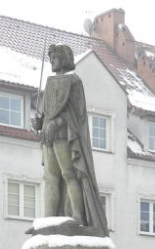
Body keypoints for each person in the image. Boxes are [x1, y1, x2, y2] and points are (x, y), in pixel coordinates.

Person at [35, 43, 108, 233]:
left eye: (55, 58)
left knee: (69, 173)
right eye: (51, 59)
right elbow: (49, 110)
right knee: (50, 178)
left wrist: (56, 123)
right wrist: (40, 123)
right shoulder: (50, 82)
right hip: (48, 137)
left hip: (64, 136)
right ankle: (49, 220)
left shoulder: (74, 81)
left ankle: (77, 215)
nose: (52, 61)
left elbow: (77, 114)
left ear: (64, 59)